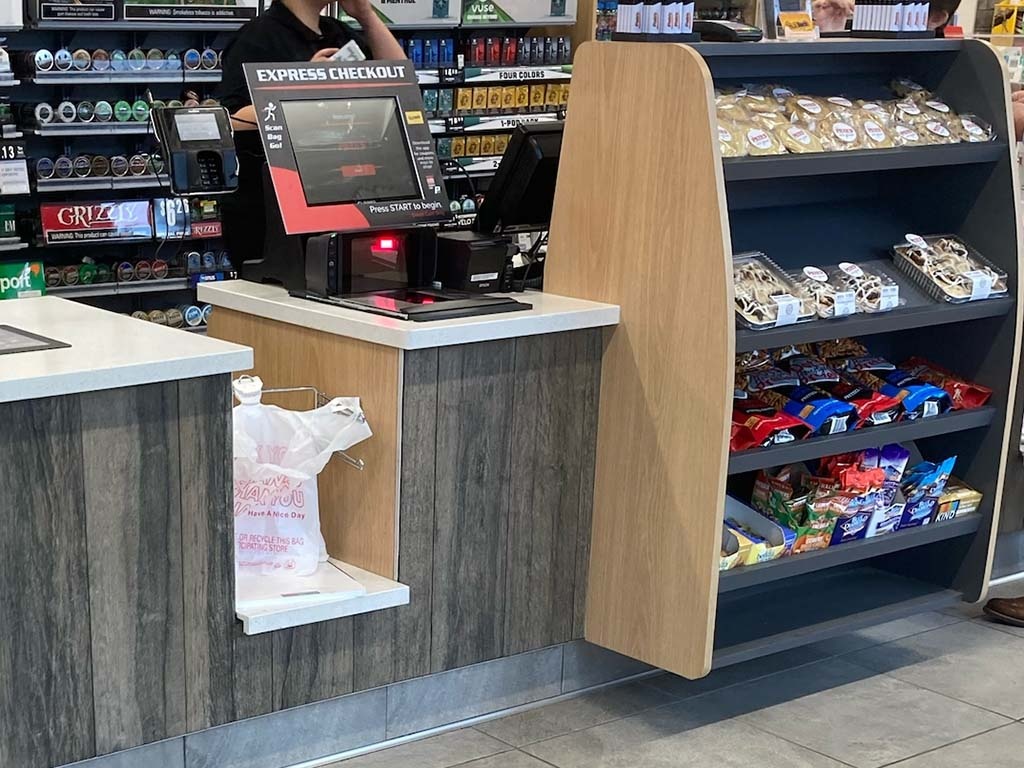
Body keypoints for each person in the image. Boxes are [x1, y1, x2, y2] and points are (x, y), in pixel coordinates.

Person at [215, 0, 406, 268]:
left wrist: (366, 15)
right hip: (274, 216)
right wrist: (306, 88)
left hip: (341, 197)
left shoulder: (337, 33)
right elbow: (229, 118)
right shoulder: (258, 37)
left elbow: (401, 84)